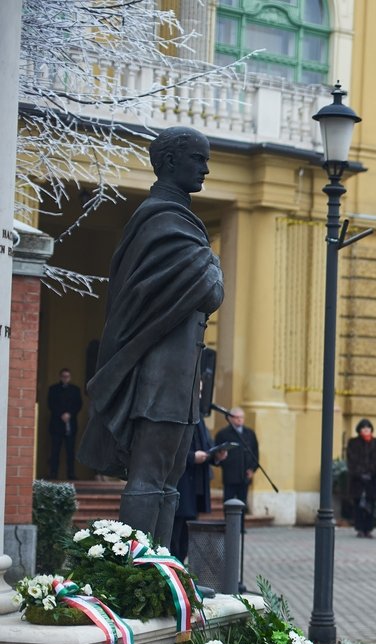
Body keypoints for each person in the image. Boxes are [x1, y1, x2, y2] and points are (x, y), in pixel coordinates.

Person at [78, 127, 224, 543]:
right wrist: (213, 266)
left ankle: (162, 572)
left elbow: (206, 282)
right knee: (149, 478)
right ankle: (136, 575)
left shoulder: (179, 220)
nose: (206, 168)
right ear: (171, 161)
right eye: (198, 158)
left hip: (179, 377)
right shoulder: (162, 221)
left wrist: (211, 265)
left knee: (169, 483)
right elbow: (211, 290)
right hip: (158, 378)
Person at [170, 421, 224, 561]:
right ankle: (174, 570)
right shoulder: (178, 413)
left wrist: (216, 456)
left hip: (196, 486)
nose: (200, 397)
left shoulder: (199, 419)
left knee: (187, 535)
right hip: (180, 485)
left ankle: (181, 568)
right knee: (174, 535)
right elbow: (169, 449)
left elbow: (205, 446)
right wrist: (192, 457)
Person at [214, 407, 260, 522]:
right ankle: (228, 524)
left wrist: (252, 469)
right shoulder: (223, 434)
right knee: (228, 501)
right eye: (237, 417)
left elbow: (255, 452)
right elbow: (217, 453)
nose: (239, 420)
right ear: (230, 419)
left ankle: (241, 526)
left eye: (241, 417)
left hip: (245, 474)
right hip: (230, 474)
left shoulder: (250, 433)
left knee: (242, 501)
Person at [347, 419, 376, 539]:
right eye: (363, 428)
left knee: (371, 505)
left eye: (368, 428)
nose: (366, 430)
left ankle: (368, 529)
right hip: (358, 480)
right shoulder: (353, 443)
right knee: (358, 505)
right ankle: (359, 528)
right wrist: (360, 474)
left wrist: (371, 473)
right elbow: (352, 460)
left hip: (372, 480)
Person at [46, 367, 83, 480]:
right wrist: (61, 414)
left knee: (70, 451)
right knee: (55, 451)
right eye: (63, 376)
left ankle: (71, 474)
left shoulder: (75, 390)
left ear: (70, 377)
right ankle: (53, 473)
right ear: (60, 377)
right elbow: (51, 404)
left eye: (67, 376)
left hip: (70, 425)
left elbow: (78, 404)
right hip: (57, 424)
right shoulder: (53, 389)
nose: (65, 378)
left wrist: (69, 414)